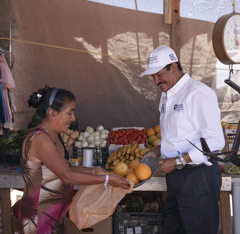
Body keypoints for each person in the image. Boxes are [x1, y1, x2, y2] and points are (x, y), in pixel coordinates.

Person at [12, 86, 130, 233]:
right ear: (52, 113)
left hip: (52, 217)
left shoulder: (54, 136)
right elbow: (66, 176)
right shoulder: (41, 139)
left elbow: (64, 167)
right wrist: (107, 179)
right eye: (69, 113)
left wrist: (94, 171)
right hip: (38, 220)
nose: (73, 118)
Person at [140, 46, 225, 234]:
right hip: (176, 177)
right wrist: (157, 150)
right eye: (152, 76)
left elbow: (215, 141)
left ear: (174, 67)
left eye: (159, 74)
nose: (156, 80)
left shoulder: (198, 93)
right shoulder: (167, 95)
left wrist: (178, 161)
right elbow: (178, 136)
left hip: (198, 177)